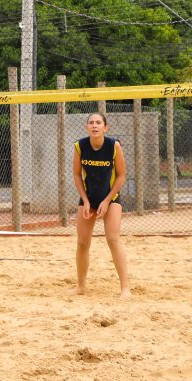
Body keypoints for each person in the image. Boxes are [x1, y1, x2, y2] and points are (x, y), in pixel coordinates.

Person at [72, 112, 130, 298]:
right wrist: (86, 201)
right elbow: (77, 175)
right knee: (82, 242)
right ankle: (80, 286)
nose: (94, 126)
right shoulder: (80, 146)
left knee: (113, 238)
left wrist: (106, 201)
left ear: (105, 127)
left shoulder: (114, 146)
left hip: (110, 198)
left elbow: (121, 175)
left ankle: (125, 288)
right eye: (91, 123)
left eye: (98, 123)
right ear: (86, 127)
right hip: (89, 198)